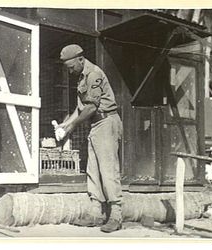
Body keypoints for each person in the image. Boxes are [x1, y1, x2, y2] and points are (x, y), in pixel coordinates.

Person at [57, 44, 123, 233]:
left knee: (108, 170)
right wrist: (65, 124)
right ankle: (96, 213)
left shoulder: (93, 74)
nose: (70, 71)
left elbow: (92, 107)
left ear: (80, 59)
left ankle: (116, 215)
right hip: (95, 125)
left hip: (106, 122)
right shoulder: (82, 75)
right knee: (93, 169)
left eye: (71, 67)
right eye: (67, 68)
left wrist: (72, 125)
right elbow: (81, 108)